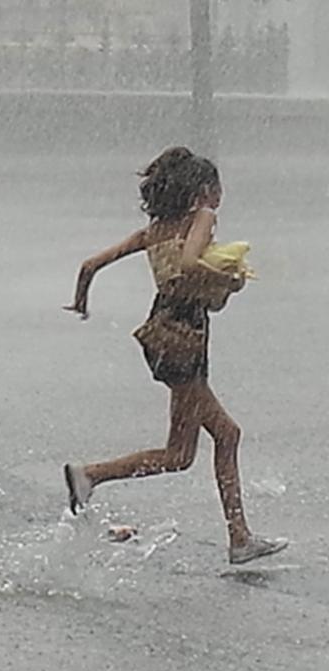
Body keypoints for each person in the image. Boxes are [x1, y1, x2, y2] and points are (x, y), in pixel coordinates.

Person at [62, 146, 287, 565]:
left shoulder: (153, 231)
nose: (221, 195)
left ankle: (90, 476)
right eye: (217, 187)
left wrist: (81, 302)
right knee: (227, 435)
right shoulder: (201, 217)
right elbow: (188, 264)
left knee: (180, 455)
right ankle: (238, 539)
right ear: (204, 190)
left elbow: (90, 264)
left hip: (162, 338)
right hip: (184, 339)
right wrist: (230, 279)